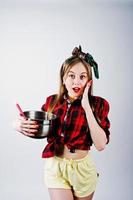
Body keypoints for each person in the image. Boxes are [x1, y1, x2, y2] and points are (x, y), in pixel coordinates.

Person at [13, 46, 110, 200]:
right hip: (56, 166)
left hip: (83, 171)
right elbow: (37, 126)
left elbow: (101, 145)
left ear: (89, 81)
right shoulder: (52, 102)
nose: (76, 81)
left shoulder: (98, 105)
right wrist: (17, 125)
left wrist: (86, 107)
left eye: (82, 77)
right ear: (64, 79)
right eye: (71, 76)